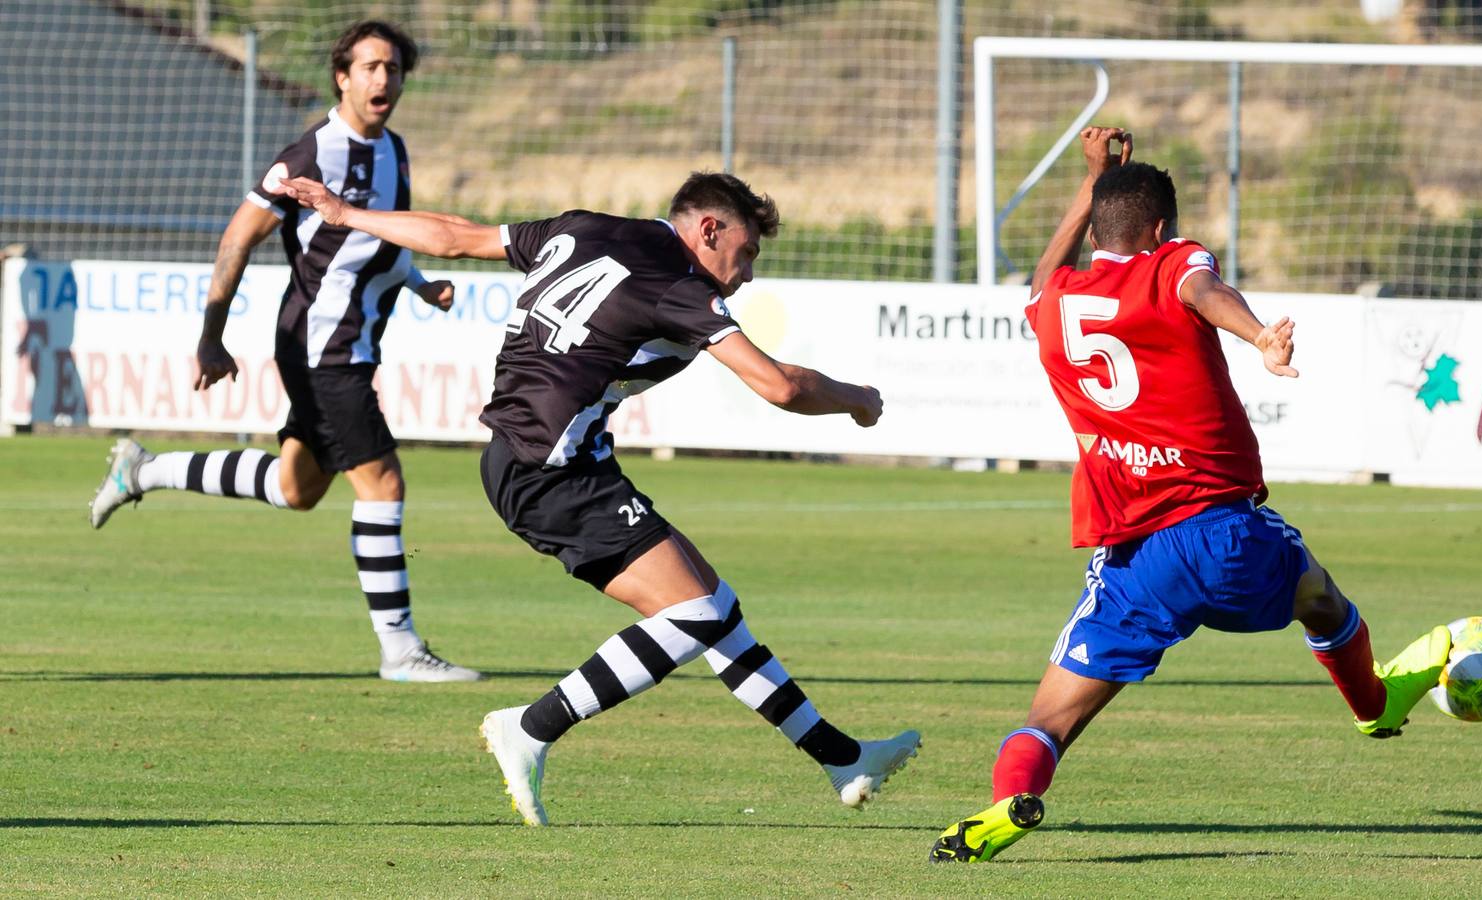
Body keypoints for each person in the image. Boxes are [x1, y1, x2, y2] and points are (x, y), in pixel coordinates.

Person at [280, 170, 921, 825]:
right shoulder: (681, 286)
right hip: (550, 473)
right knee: (694, 617)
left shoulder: (582, 228)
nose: (748, 272)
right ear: (708, 230)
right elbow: (780, 385)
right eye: (747, 251)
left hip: (540, 459)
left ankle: (842, 758)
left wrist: (343, 211)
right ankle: (530, 728)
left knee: (716, 608)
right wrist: (856, 401)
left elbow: (451, 237)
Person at [929, 128, 1454, 863]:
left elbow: (1043, 275)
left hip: (1133, 561)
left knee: (1049, 721)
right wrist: (1258, 337)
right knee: (1321, 599)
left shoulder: (1056, 304)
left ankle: (1005, 805)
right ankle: (1373, 707)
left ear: (1100, 225)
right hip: (1224, 534)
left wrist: (1090, 182)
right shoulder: (1171, 263)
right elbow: (1202, 291)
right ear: (1159, 229)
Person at [87, 21, 478, 683]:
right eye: (372, 67)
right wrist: (211, 334)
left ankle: (143, 470)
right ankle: (401, 651)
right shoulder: (312, 154)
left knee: (295, 488)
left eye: (394, 69)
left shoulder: (396, 151)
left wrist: (418, 283)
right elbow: (240, 236)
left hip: (351, 344)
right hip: (322, 347)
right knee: (382, 482)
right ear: (342, 76)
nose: (385, 80)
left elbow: (378, 238)